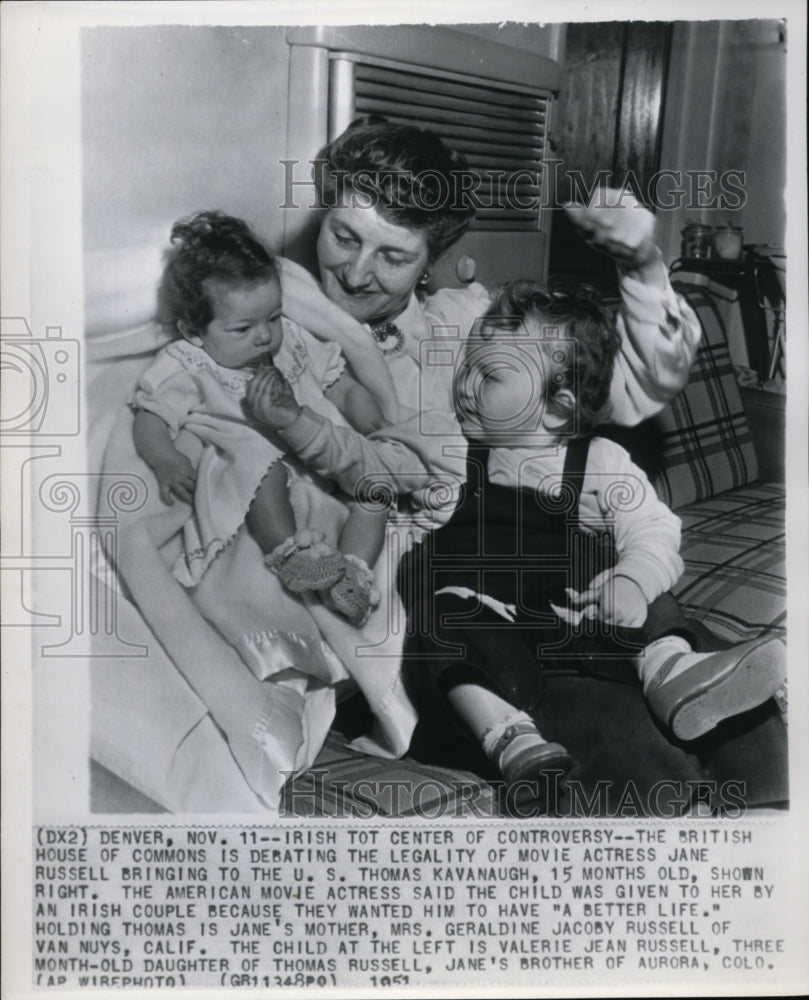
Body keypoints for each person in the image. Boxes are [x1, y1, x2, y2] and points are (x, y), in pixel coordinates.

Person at [248, 115, 786, 813]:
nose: (353, 271)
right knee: (622, 753)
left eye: (391, 255)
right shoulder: (271, 325)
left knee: (739, 730)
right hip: (463, 616)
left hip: (568, 582)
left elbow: (625, 388)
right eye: (343, 236)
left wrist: (643, 267)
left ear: (429, 260)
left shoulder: (463, 324)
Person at [393, 279, 786, 809]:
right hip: (528, 664)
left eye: (487, 375)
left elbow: (655, 531)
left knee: (726, 684)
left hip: (607, 628)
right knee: (606, 727)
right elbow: (398, 511)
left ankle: (681, 681)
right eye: (467, 366)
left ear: (558, 408)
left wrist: (631, 578)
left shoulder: (598, 463)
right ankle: (511, 737)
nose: (464, 386)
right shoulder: (453, 455)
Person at [131, 210, 388, 625]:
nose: (265, 335)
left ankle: (352, 575)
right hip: (260, 477)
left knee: (374, 495)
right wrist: (165, 459)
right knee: (259, 465)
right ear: (194, 331)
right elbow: (151, 416)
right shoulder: (189, 362)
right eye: (243, 329)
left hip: (322, 463)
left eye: (272, 318)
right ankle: (292, 555)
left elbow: (340, 382)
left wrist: (372, 420)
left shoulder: (293, 342)